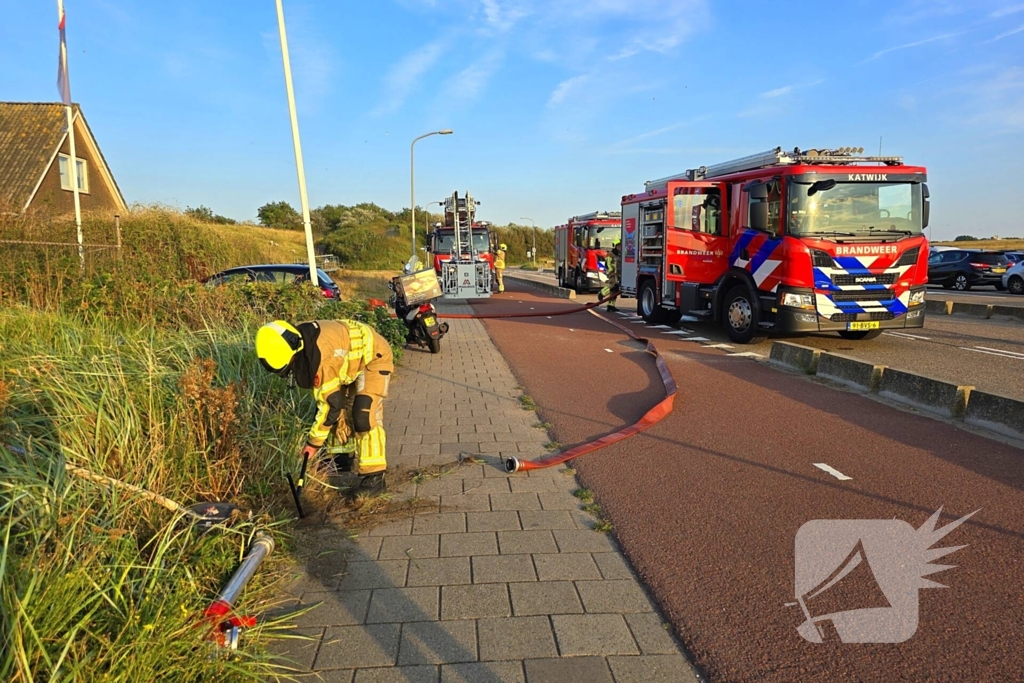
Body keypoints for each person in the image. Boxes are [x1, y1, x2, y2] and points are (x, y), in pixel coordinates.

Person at [255, 319, 394, 496]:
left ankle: (375, 477)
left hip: (374, 357)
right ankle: (342, 459)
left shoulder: (321, 356)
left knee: (363, 416)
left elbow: (330, 405)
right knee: (338, 414)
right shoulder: (300, 342)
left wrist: (313, 444)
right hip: (345, 361)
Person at [601, 239, 621, 312]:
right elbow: (608, 264)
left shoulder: (619, 254)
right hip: (612, 273)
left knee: (615, 290)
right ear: (615, 246)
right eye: (618, 246)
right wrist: (611, 271)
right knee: (612, 285)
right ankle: (602, 293)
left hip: (617, 274)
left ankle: (611, 305)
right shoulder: (610, 254)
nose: (619, 247)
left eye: (620, 245)